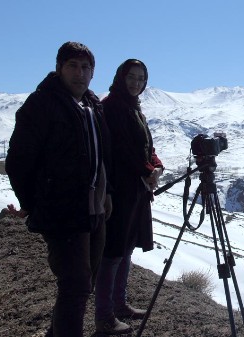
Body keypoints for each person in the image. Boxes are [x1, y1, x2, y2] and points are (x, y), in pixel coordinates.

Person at [4, 41, 121, 337]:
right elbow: (18, 161)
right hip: (61, 210)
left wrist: (107, 194)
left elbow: (103, 153)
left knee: (85, 282)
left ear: (93, 73)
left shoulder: (92, 104)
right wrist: (33, 203)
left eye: (85, 67)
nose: (79, 73)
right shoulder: (41, 104)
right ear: (59, 68)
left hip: (92, 208)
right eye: (72, 66)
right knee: (76, 285)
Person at [94, 59, 163, 334]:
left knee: (126, 249)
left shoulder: (134, 109)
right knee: (112, 252)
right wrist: (148, 170)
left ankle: (119, 304)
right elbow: (121, 149)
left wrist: (156, 166)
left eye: (141, 79)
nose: (136, 83)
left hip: (136, 191)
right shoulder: (112, 106)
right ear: (121, 77)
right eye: (131, 77)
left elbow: (147, 146)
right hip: (119, 191)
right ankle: (104, 316)